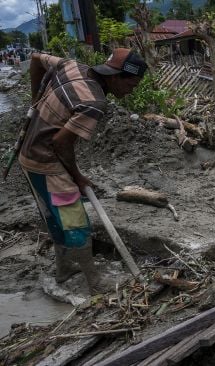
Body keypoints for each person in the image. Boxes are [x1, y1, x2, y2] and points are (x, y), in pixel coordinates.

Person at [19, 48, 147, 294]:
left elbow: (35, 59)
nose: (132, 90)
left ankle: (64, 269)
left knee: (53, 216)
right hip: (47, 162)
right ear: (114, 76)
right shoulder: (93, 102)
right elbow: (61, 143)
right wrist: (77, 177)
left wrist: (35, 98)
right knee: (75, 220)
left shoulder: (71, 66)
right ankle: (95, 283)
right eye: (131, 84)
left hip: (28, 156)